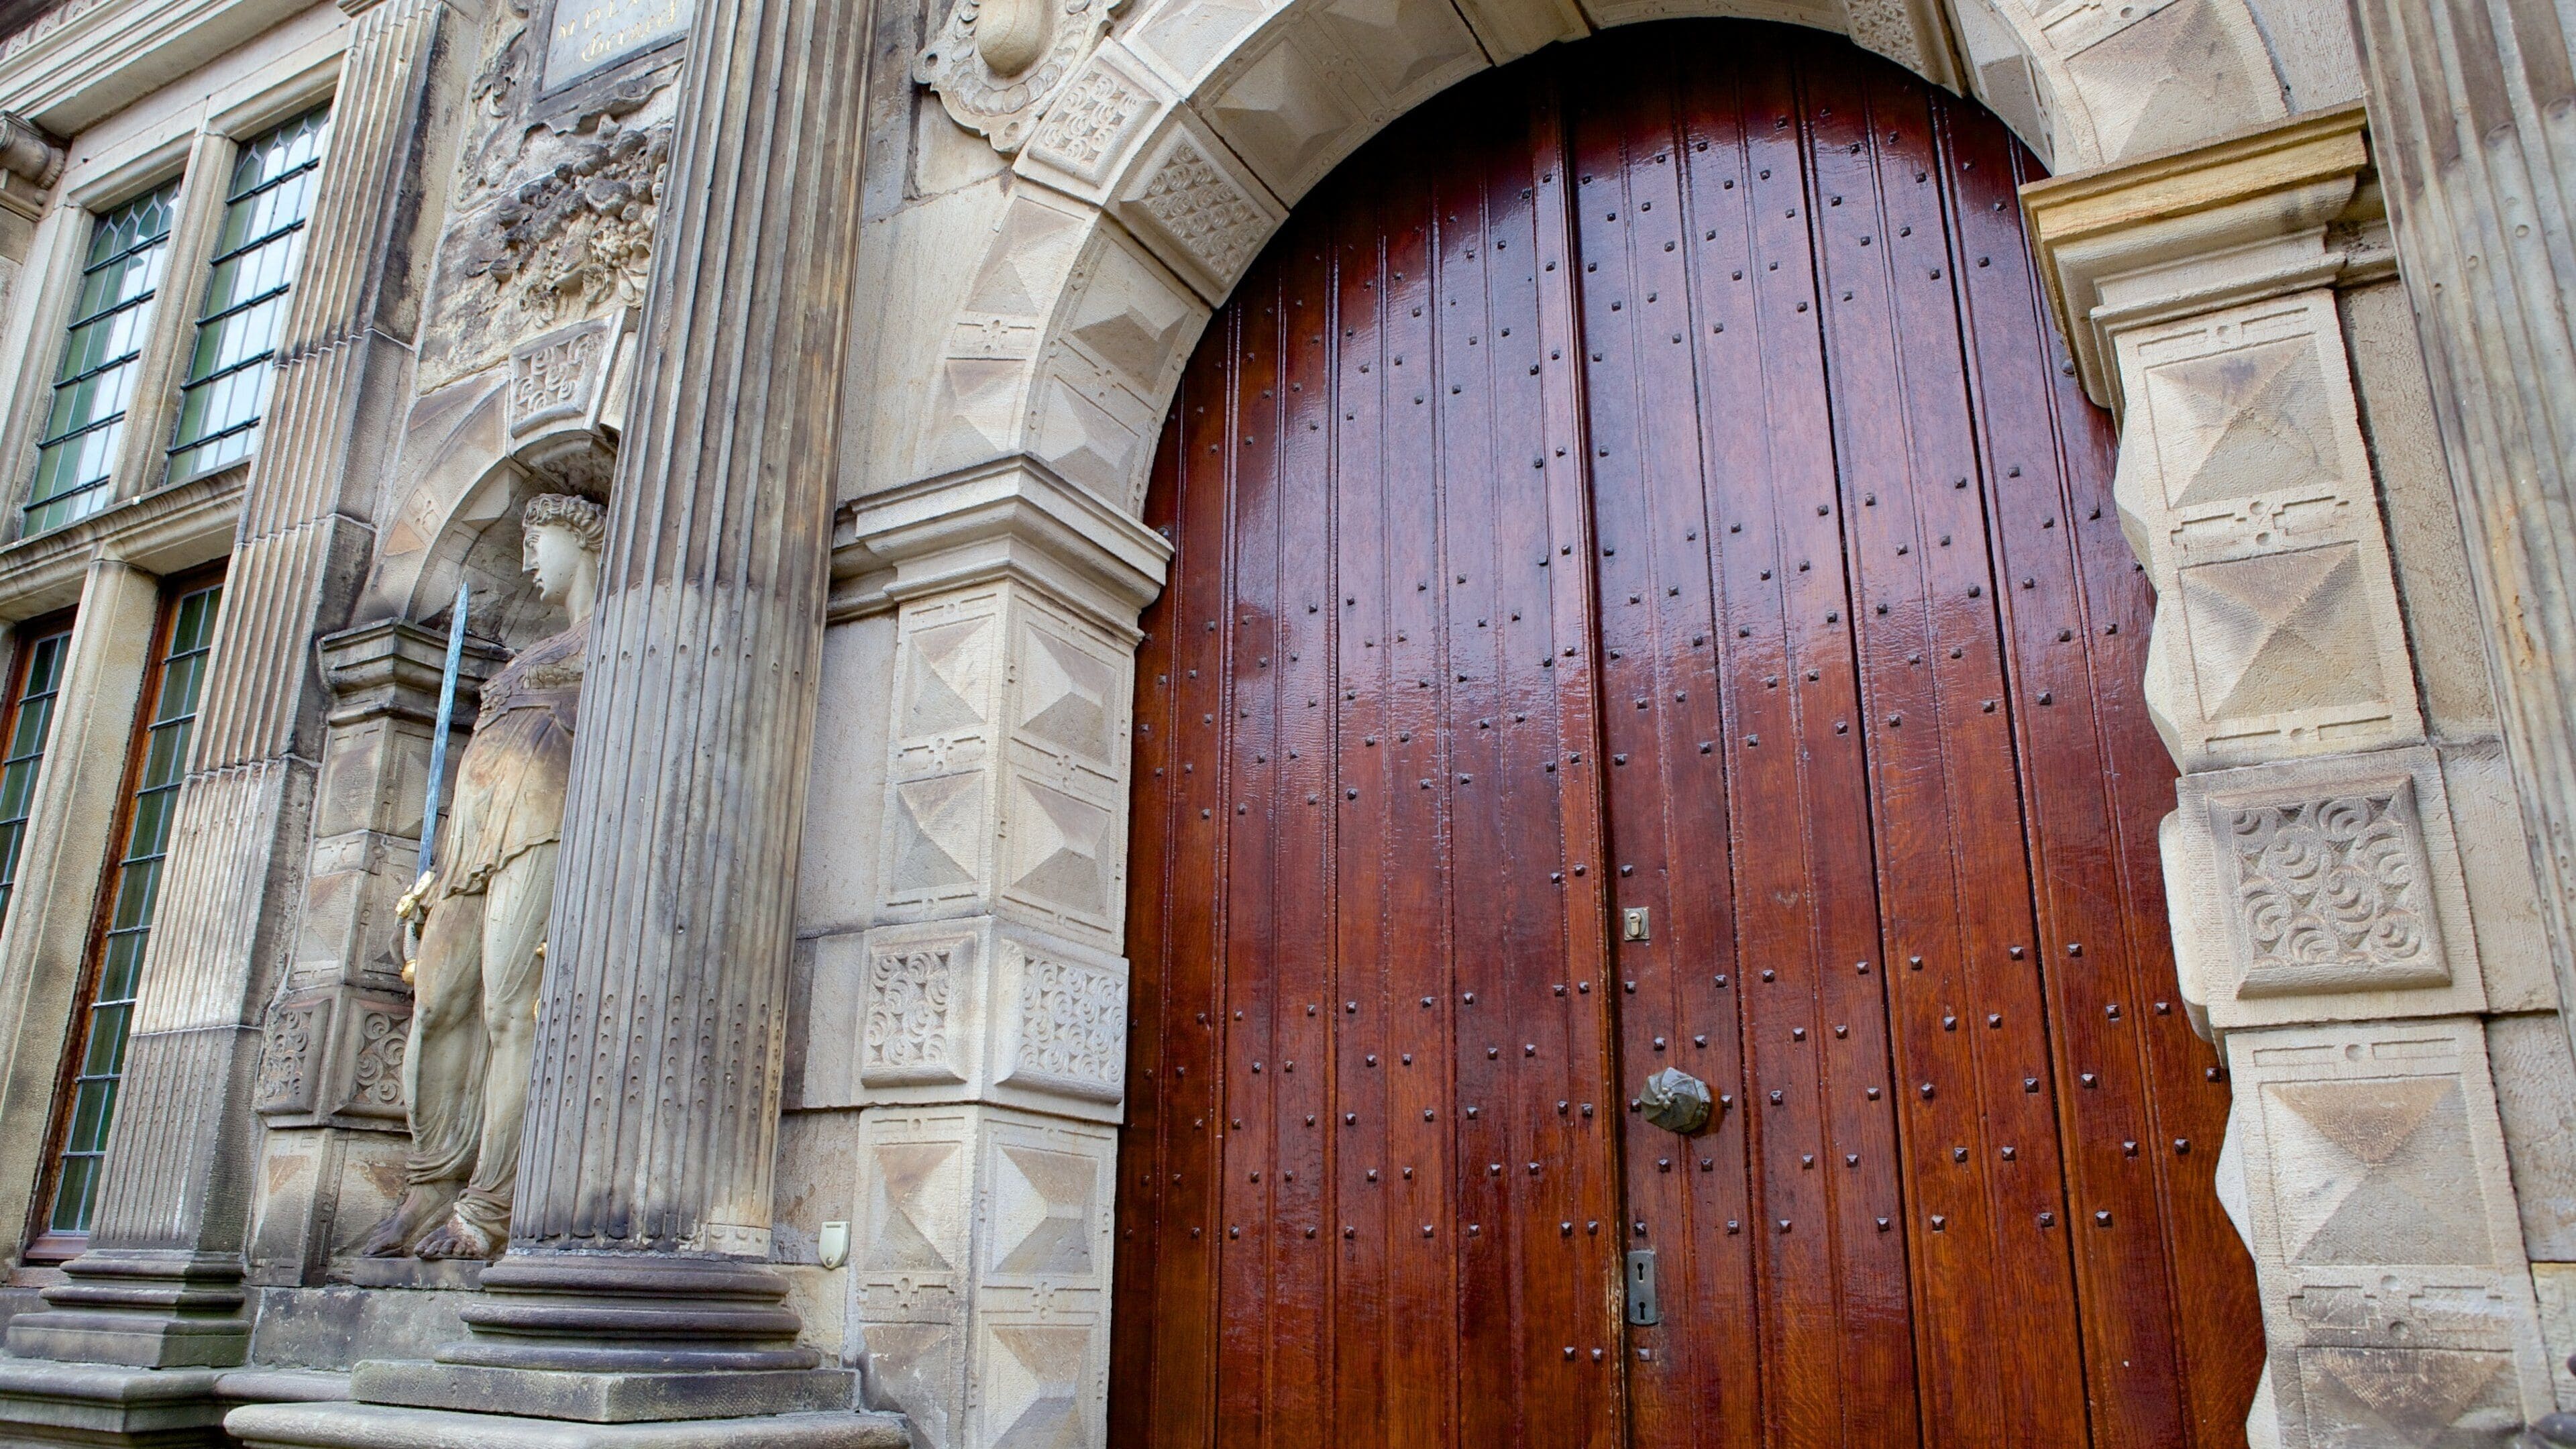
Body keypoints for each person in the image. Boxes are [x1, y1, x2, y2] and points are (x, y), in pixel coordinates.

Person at [357, 492, 602, 1260]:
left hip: (542, 821)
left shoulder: (621, 632)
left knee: (510, 1010)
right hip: (471, 832)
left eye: (543, 540)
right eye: (522, 540)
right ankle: (428, 1184)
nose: (529, 557)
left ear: (586, 543)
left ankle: (489, 1206)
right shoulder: (539, 647)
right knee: (436, 1004)